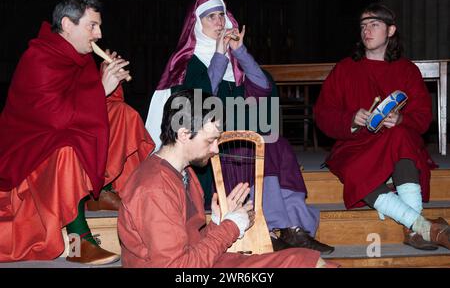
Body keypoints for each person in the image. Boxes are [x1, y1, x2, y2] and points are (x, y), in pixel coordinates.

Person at [145, 0, 333, 254]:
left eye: (222, 15)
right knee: (246, 149)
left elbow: (265, 89)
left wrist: (239, 51)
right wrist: (219, 56)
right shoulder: (187, 61)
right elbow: (198, 103)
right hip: (209, 143)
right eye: (211, 16)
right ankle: (266, 228)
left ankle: (293, 227)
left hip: (243, 130)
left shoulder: (236, 61)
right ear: (197, 23)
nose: (219, 21)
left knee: (276, 145)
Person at [0, 0, 155, 264]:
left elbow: (84, 105)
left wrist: (109, 80)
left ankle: (122, 201)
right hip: (28, 157)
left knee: (123, 115)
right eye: (92, 26)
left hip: (60, 134)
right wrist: (100, 89)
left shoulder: (77, 56)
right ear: (67, 25)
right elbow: (57, 120)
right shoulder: (38, 58)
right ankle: (78, 242)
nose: (99, 33)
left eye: (99, 26)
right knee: (68, 148)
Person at [119, 89, 337, 268]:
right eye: (211, 140)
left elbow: (192, 244)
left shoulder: (184, 172)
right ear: (184, 134)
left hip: (204, 262)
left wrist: (217, 223)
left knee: (307, 260)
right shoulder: (154, 188)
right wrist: (230, 226)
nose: (215, 149)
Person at [314, 3, 450, 251]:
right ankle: (421, 227)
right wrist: (351, 120)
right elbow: (322, 114)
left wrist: (401, 120)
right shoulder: (345, 69)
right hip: (355, 145)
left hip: (398, 143)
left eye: (374, 24)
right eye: (363, 26)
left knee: (401, 136)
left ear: (390, 31)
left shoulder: (407, 70)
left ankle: (415, 229)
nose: (367, 30)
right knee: (357, 171)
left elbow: (422, 117)